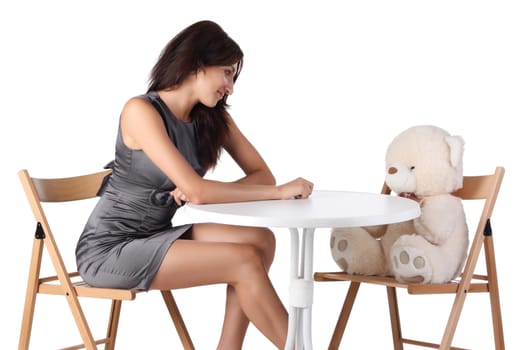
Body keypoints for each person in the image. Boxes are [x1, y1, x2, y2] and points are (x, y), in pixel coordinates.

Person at [75, 20, 313, 349]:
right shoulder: (140, 111)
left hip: (156, 234)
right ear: (198, 65)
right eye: (227, 72)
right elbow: (204, 190)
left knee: (260, 241)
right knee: (243, 260)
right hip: (110, 250)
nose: (230, 86)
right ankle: (303, 347)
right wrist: (275, 194)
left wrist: (213, 190)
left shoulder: (211, 118)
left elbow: (261, 174)